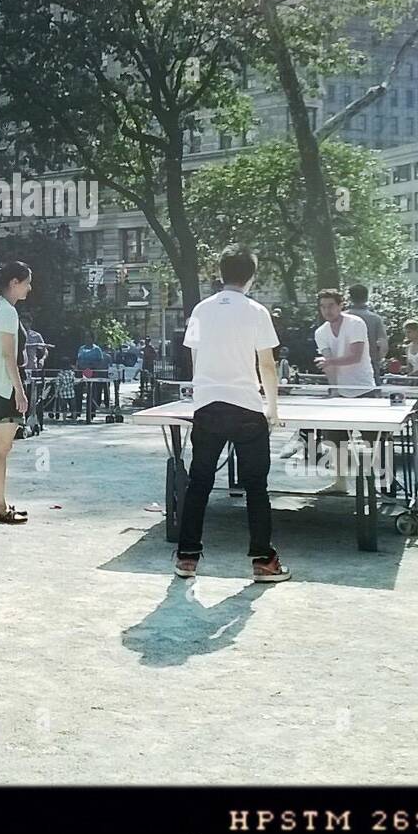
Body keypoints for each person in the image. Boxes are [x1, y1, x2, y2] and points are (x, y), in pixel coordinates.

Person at [174, 247, 288, 583]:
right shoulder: (256, 311)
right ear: (251, 276)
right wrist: (273, 409)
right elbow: (266, 364)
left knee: (199, 483)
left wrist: (202, 394)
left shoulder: (200, 310)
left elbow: (195, 359)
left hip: (208, 405)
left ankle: (187, 558)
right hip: (246, 406)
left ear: (220, 273)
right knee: (256, 487)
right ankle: (263, 561)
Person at [311, 287, 377, 494]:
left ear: (341, 305)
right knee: (336, 440)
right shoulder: (320, 332)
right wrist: (334, 390)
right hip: (340, 392)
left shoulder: (356, 323)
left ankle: (379, 484)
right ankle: (340, 483)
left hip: (364, 388)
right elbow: (328, 365)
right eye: (323, 306)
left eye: (331, 305)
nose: (327, 310)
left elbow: (355, 356)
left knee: (372, 441)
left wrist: (328, 361)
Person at [0, 261, 33, 523]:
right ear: (14, 283)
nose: (29, 288)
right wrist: (20, 391)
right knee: (0, 449)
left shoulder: (2, 309)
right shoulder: (7, 312)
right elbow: (8, 356)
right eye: (26, 283)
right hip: (4, 386)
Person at [345, 284, 388, 384]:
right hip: (369, 363)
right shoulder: (375, 319)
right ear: (366, 297)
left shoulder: (342, 318)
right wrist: (378, 359)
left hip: (345, 365)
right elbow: (384, 345)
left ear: (350, 297)